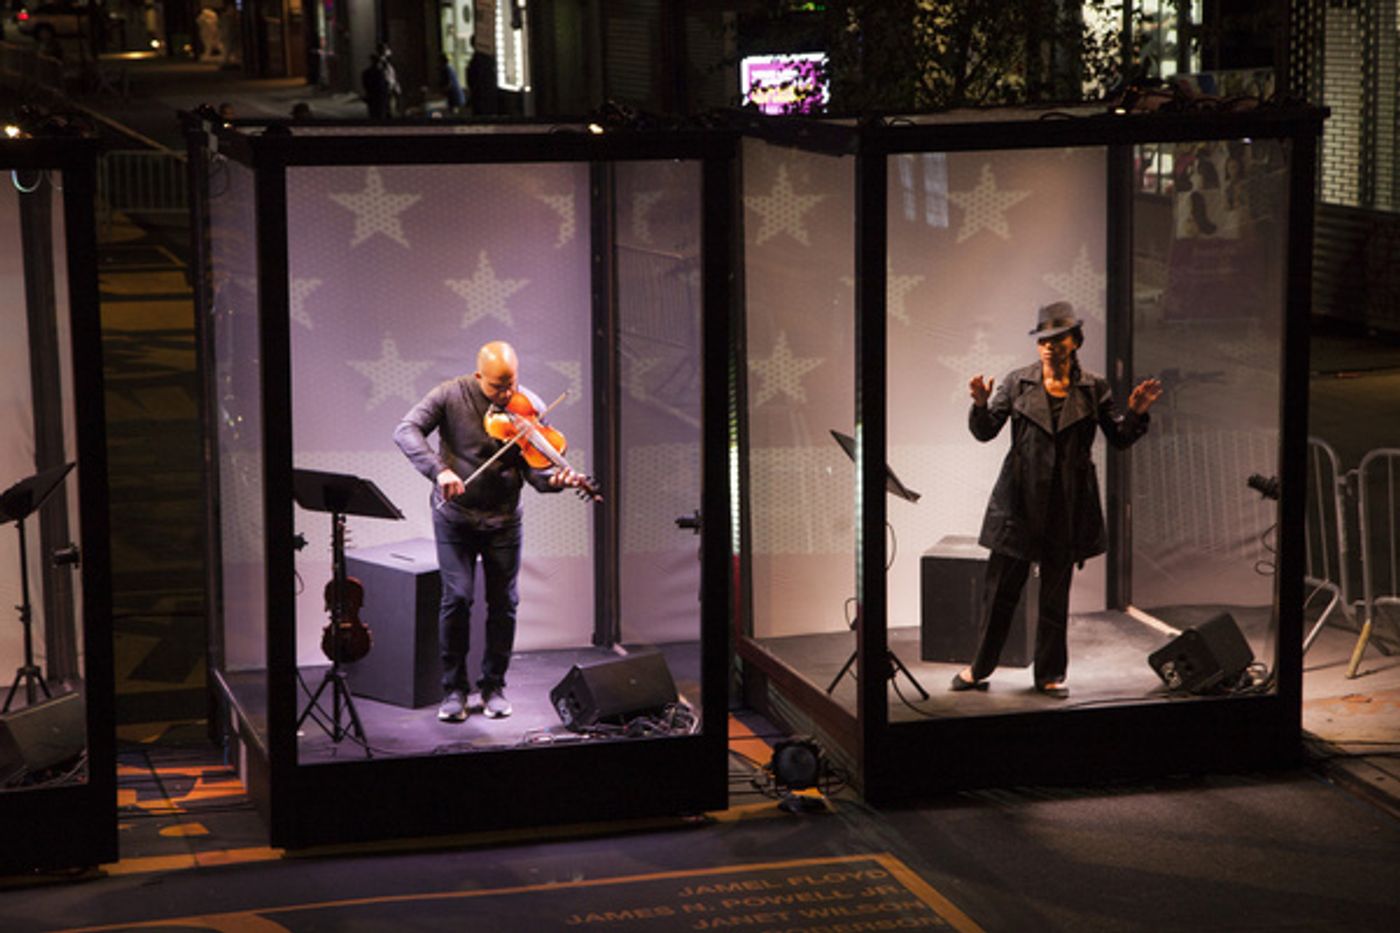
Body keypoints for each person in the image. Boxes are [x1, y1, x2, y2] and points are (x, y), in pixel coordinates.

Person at [951, 301, 1163, 699]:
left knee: (1054, 598)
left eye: (1057, 338)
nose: (1049, 346)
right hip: (1018, 503)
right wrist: (979, 404)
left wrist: (1135, 414)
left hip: (1066, 507)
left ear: (1075, 341)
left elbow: (1118, 438)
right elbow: (985, 432)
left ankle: (1049, 674)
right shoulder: (1017, 382)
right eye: (1043, 340)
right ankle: (979, 668)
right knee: (999, 595)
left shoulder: (1093, 387)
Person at [393, 341, 585, 723]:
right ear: (480, 376)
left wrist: (557, 480)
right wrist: (438, 469)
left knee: (505, 604)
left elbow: (536, 473)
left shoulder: (526, 404)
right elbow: (406, 430)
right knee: (457, 598)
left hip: (504, 520)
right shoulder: (450, 394)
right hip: (455, 517)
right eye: (498, 386)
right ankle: (453, 690)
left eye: (511, 383)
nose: (507, 394)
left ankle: (493, 686)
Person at [361, 50, 391, 120]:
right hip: (379, 98)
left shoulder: (367, 73)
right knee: (379, 115)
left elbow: (365, 85)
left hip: (373, 97)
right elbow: (384, 85)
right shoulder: (381, 73)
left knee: (373, 115)